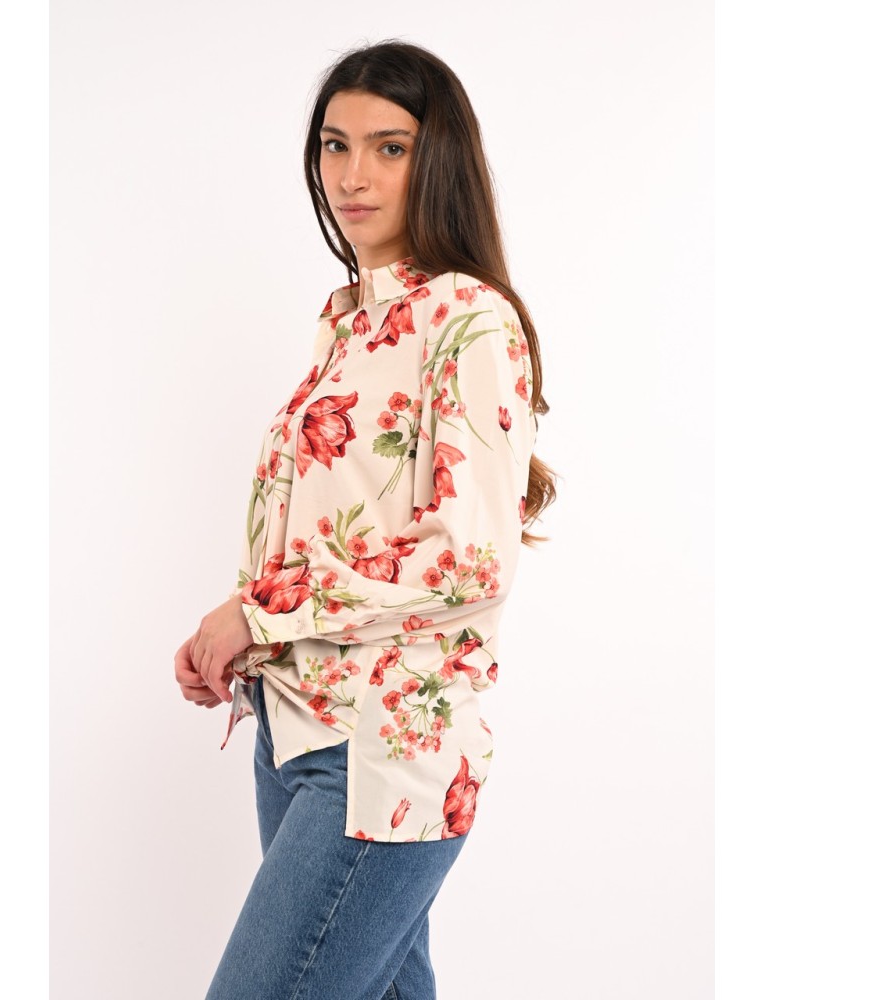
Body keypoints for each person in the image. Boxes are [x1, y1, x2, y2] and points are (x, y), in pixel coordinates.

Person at [173, 39, 556, 1000]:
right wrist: (243, 633)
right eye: (334, 146)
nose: (353, 176)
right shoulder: (350, 325)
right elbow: (332, 528)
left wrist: (256, 615)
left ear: (439, 159)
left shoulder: (469, 319)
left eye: (389, 148)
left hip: (383, 756)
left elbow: (470, 563)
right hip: (295, 738)